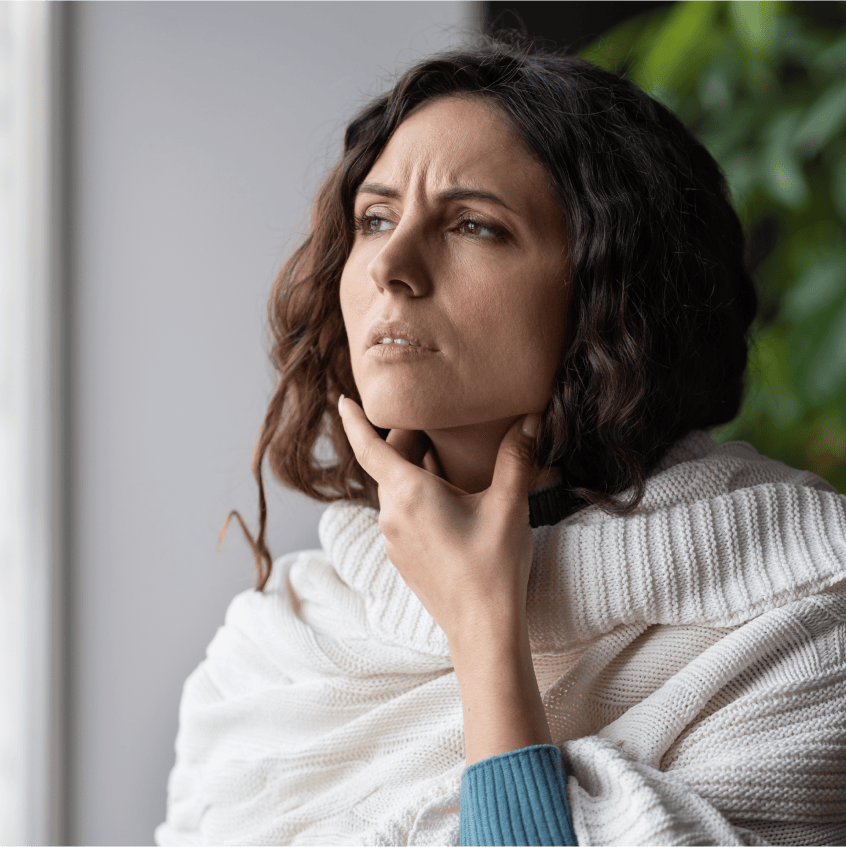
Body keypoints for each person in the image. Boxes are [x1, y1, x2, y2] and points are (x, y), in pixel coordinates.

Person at [155, 33, 846, 847]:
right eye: (374, 218)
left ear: (610, 291)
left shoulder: (807, 620)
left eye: (474, 226)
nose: (391, 266)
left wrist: (485, 628)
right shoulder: (276, 648)